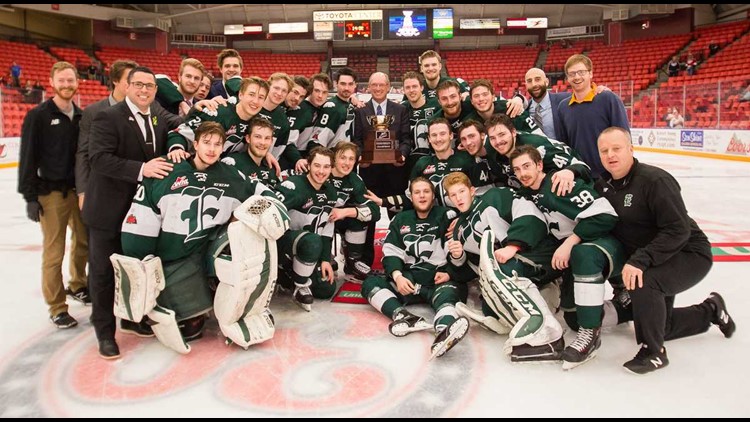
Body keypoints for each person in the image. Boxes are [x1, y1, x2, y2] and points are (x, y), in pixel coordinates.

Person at [119, 121, 285, 353]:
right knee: (189, 325)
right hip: (168, 259)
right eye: (206, 143)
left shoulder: (230, 175)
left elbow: (261, 193)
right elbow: (141, 219)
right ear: (195, 144)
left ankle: (244, 306)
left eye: (218, 144)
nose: (211, 149)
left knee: (241, 238)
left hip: (201, 254)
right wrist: (140, 260)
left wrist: (266, 208)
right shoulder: (167, 170)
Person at [595, 127, 735, 374]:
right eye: (604, 151)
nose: (610, 155)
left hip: (688, 253)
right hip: (655, 257)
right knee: (662, 325)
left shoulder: (655, 180)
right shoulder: (603, 186)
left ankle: (654, 351)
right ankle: (711, 310)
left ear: (630, 148)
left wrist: (640, 260)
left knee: (643, 281)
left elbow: (678, 230)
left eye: (616, 148)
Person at [83, 66, 177, 359]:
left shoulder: (159, 118)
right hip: (108, 211)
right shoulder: (106, 117)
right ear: (126, 86)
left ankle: (131, 318)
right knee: (102, 274)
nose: (144, 90)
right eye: (138, 84)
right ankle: (104, 333)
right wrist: (141, 169)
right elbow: (98, 159)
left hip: (139, 214)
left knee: (134, 271)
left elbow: (180, 126)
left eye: (150, 86)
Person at [510, 145, 629, 370]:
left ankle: (590, 336)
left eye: (526, 166)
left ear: (539, 165)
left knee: (581, 253)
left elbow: (606, 215)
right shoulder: (531, 193)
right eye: (517, 170)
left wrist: (570, 241)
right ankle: (631, 309)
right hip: (579, 249)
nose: (522, 173)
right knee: (574, 317)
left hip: (603, 244)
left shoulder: (558, 185)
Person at [443, 172, 565, 362]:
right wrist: (458, 257)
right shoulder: (459, 228)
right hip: (512, 264)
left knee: (505, 268)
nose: (458, 198)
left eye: (462, 191)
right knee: (489, 299)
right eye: (453, 195)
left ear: (472, 190)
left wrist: (513, 246)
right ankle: (508, 318)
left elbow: (529, 213)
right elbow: (473, 269)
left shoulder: (494, 197)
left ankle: (548, 333)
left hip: (539, 252)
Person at [361, 177, 470, 359]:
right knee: (370, 283)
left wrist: (449, 272)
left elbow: (456, 250)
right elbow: (391, 252)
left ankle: (444, 331)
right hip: (410, 281)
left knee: (450, 295)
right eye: (417, 192)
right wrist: (397, 277)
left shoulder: (447, 215)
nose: (421, 196)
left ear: (433, 196)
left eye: (426, 192)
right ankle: (403, 316)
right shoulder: (400, 219)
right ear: (410, 197)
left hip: (438, 280)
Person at [17, 61, 89, 329]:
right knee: (54, 251)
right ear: (52, 82)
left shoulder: (81, 116)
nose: (67, 85)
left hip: (78, 191)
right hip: (51, 193)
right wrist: (30, 197)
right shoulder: (38, 116)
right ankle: (57, 306)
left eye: (71, 80)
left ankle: (78, 284)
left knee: (83, 242)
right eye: (62, 81)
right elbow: (27, 158)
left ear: (77, 82)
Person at [76, 60, 182, 212]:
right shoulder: (96, 112)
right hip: (108, 195)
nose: (142, 88)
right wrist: (82, 191)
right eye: (135, 82)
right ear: (119, 82)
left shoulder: (152, 107)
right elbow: (86, 154)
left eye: (147, 85)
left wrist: (197, 111)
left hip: (142, 198)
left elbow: (176, 121)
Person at [275, 147, 339, 311]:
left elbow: (327, 228)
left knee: (326, 289)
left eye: (326, 167)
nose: (321, 171)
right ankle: (299, 284)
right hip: (283, 244)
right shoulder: (294, 186)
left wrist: (325, 259)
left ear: (332, 168)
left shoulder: (330, 192)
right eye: (317, 165)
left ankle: (287, 277)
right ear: (308, 165)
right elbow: (271, 210)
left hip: (309, 248)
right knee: (312, 240)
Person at [556, 54, 630, 179]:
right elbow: (564, 145)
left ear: (590, 74)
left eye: (581, 72)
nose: (577, 77)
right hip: (580, 176)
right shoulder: (563, 107)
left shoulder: (608, 99)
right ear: (567, 78)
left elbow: (624, 138)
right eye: (572, 74)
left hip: (609, 176)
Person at [484, 113, 591, 191]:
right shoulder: (491, 148)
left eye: (502, 134)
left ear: (513, 132)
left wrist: (570, 171)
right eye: (492, 138)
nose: (498, 141)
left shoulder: (538, 147)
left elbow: (582, 166)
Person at [167, 77, 269, 156]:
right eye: (251, 94)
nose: (255, 101)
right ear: (241, 95)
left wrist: (265, 154)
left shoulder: (255, 122)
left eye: (261, 97)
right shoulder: (217, 113)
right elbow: (178, 133)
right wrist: (177, 149)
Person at [353, 71, 412, 201]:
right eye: (374, 85)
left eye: (381, 85)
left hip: (395, 172)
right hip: (369, 171)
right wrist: (361, 156)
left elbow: (406, 138)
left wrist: (402, 155)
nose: (378, 88)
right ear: (368, 87)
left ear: (388, 86)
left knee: (396, 212)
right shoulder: (360, 111)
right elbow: (357, 140)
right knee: (370, 213)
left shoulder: (400, 110)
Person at [327, 142, 381, 281]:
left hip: (339, 219)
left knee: (362, 216)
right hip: (318, 220)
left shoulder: (354, 180)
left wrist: (346, 212)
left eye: (351, 159)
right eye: (343, 157)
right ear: (334, 158)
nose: (347, 163)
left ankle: (353, 262)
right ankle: (325, 256)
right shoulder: (323, 171)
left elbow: (375, 212)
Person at [222, 117, 281, 191]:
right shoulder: (233, 163)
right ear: (248, 138)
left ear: (271, 141)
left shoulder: (272, 168)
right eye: (257, 137)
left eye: (267, 138)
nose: (262, 142)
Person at [304, 67, 357, 150]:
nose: (346, 88)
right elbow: (316, 141)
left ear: (355, 85)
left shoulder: (351, 104)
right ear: (336, 84)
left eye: (350, 84)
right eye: (343, 84)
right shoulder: (331, 107)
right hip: (333, 157)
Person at [400, 71, 442, 172]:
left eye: (414, 86)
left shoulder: (437, 105)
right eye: (408, 87)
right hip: (408, 163)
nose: (411, 90)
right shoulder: (400, 108)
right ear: (403, 90)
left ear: (422, 88)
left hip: (433, 161)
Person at [287, 73, 330, 159]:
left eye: (324, 92)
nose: (320, 96)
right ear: (310, 91)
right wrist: (297, 160)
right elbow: (288, 142)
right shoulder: (299, 109)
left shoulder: (319, 106)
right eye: (317, 91)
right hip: (293, 158)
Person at [524, 67, 571, 140]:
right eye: (529, 81)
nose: (534, 84)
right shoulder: (524, 110)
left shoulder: (564, 100)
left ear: (546, 82)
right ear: (526, 85)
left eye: (538, 79)